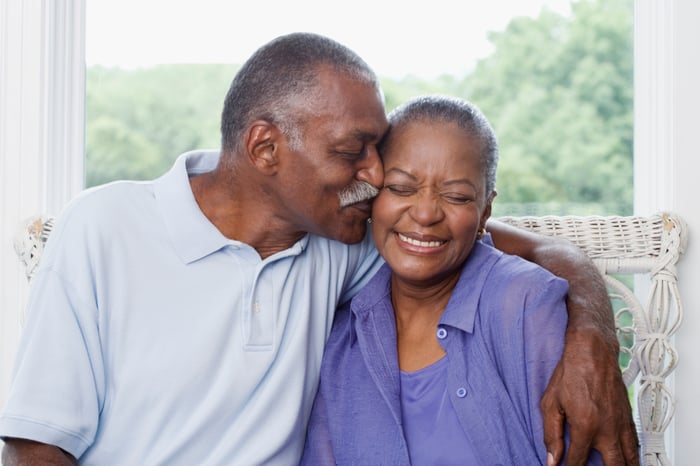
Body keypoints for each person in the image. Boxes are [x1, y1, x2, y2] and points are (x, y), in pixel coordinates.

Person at [0, 32, 637, 465]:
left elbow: (544, 252)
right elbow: (37, 446)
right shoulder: (103, 228)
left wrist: (591, 338)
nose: (373, 173)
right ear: (265, 148)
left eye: (378, 151)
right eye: (352, 150)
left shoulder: (347, 241)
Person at [302, 95, 607, 465]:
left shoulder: (526, 306)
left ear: (484, 214)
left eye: (456, 196)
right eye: (400, 188)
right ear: (372, 198)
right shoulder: (341, 336)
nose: (426, 213)